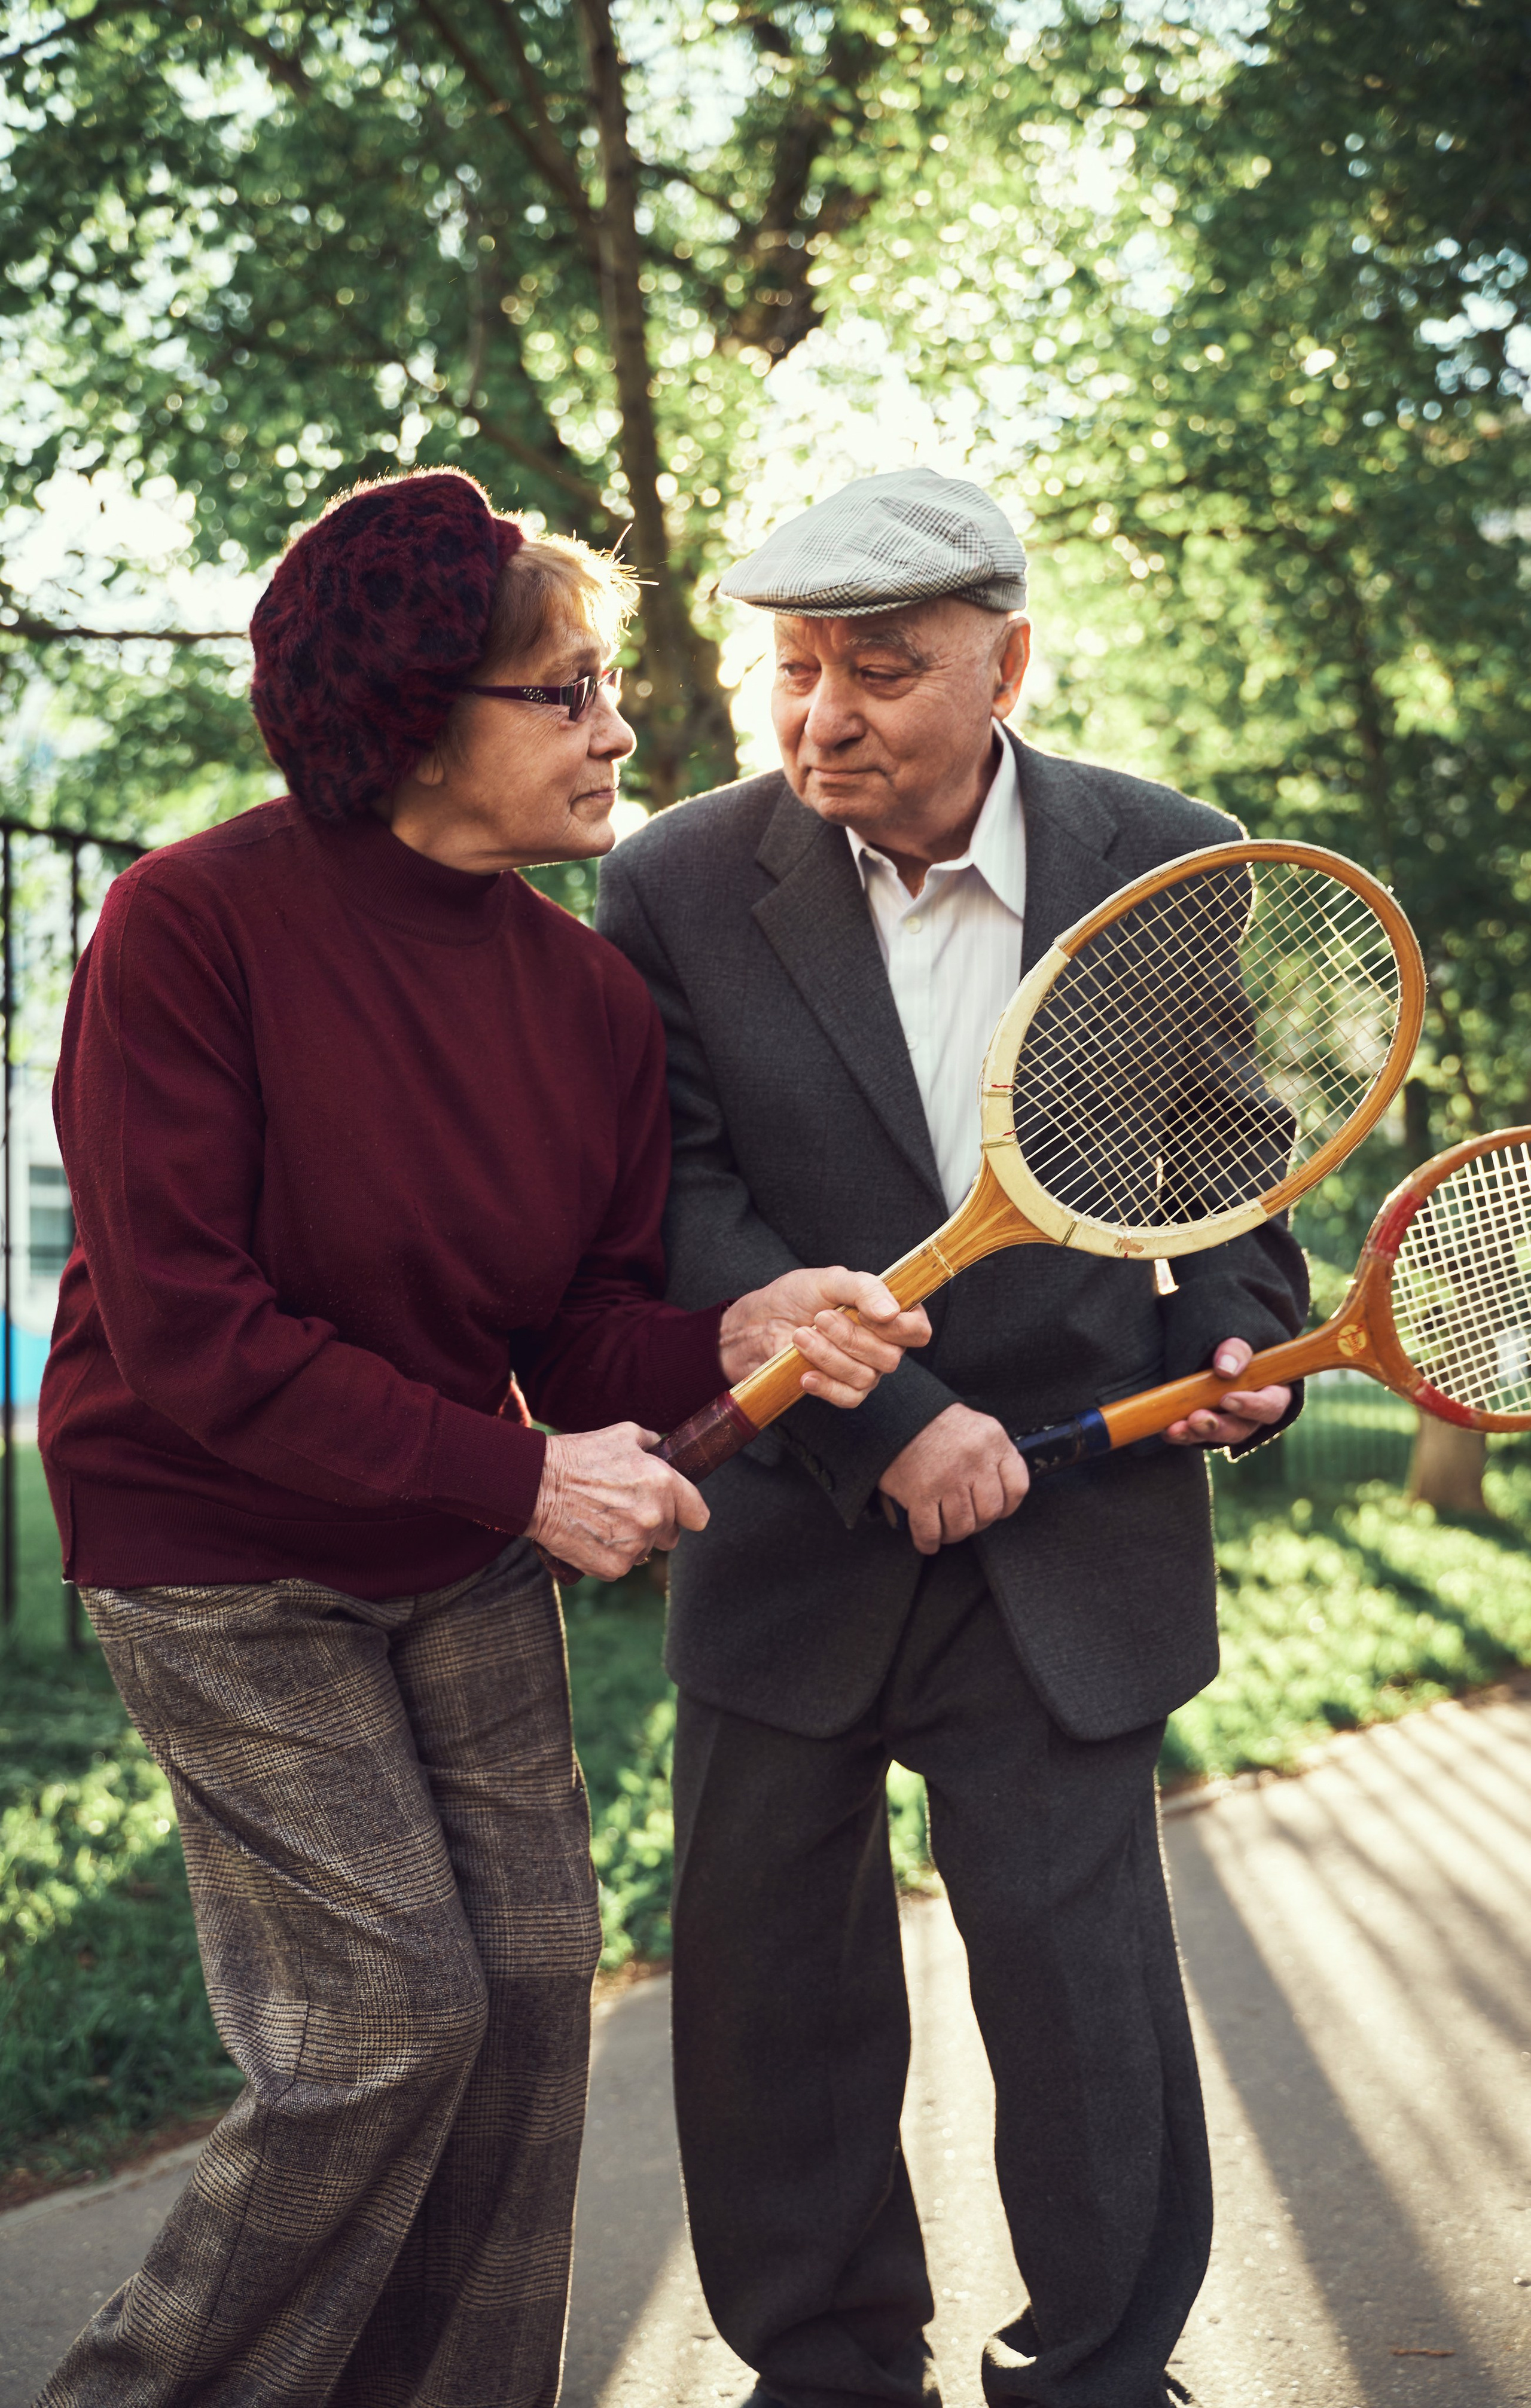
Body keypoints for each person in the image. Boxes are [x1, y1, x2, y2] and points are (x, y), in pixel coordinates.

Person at [34, 468, 929, 2408]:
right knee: (383, 2021)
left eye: (611, 682)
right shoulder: (188, 928)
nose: (622, 727)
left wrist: (736, 1326)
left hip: (445, 1534)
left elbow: (581, 1327)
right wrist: (525, 1475)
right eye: (568, 688)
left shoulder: (589, 999)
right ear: (413, 708)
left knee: (529, 2004)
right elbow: (192, 1335)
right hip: (213, 1539)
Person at [596, 466, 1307, 2408]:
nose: (824, 715)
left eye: (879, 671)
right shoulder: (665, 880)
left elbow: (1232, 1178)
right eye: (797, 669)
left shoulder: (1167, 857)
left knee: (1086, 2008)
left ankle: (1098, 2372)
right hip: (800, 1536)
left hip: (1079, 1537)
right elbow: (690, 1205)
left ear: (1009, 658)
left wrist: (1246, 1342)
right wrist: (896, 1418)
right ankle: (827, 2375)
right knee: (774, 2007)